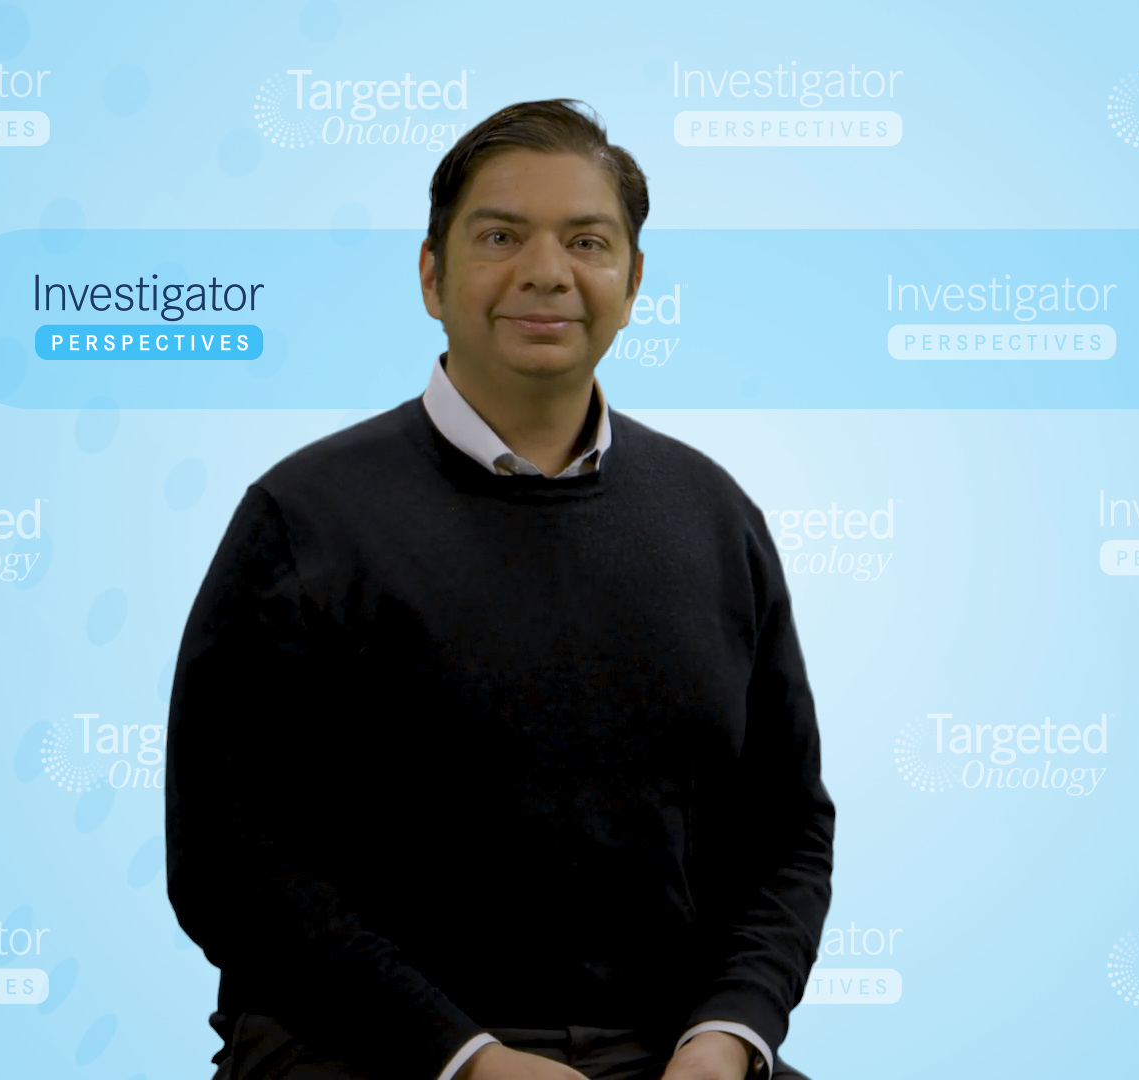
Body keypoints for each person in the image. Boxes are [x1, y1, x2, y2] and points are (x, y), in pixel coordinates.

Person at [165, 100, 833, 1080]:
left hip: (659, 1053)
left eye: (587, 242)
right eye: (501, 236)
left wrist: (729, 1033)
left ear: (633, 284)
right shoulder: (301, 519)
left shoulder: (713, 514)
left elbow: (786, 834)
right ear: (432, 276)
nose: (547, 271)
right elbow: (232, 863)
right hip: (364, 1046)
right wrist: (467, 1057)